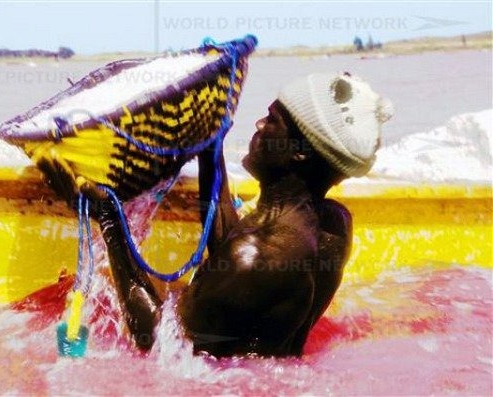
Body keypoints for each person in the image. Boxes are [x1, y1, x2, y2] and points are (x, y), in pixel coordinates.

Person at [84, 72, 393, 357]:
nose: (259, 125)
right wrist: (210, 150)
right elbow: (232, 262)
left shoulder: (255, 258)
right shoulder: (333, 225)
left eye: (272, 120)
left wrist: (110, 221)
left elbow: (158, 342)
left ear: (300, 151)